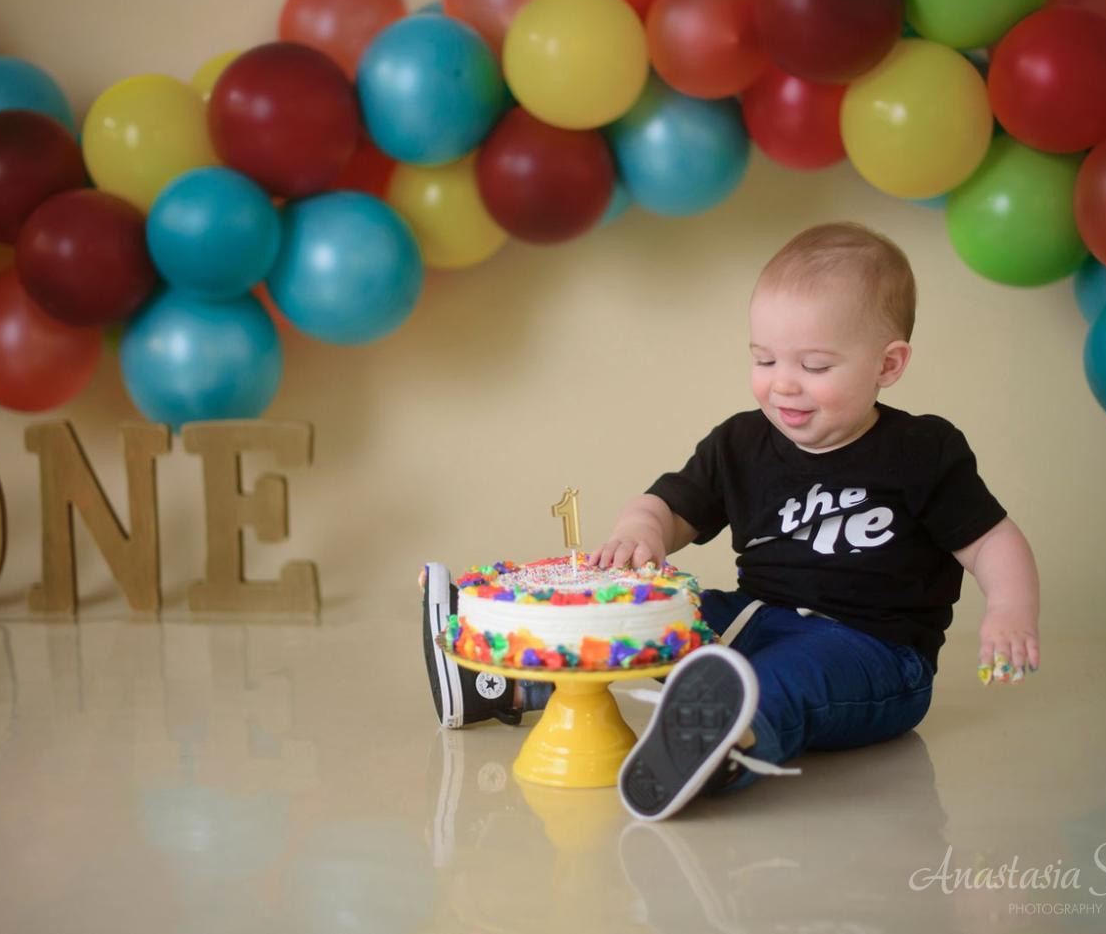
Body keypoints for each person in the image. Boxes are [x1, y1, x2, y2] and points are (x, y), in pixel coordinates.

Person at [424, 222, 1041, 822]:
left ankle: (725, 749)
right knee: (656, 620)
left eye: (816, 367)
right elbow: (668, 505)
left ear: (888, 365)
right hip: (755, 619)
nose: (783, 385)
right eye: (765, 360)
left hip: (872, 652)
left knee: (785, 678)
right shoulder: (740, 444)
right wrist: (642, 530)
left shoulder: (921, 451)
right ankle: (501, 682)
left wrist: (1010, 610)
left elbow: (991, 541)